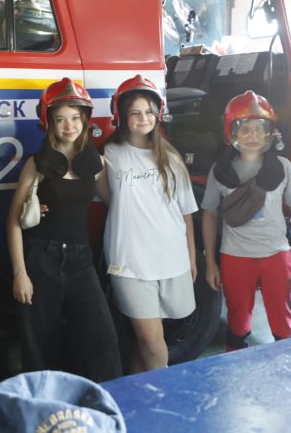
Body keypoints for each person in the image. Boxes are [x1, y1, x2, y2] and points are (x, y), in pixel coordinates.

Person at [6, 78, 121, 382]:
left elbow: (116, 205)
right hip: (40, 259)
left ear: (85, 120)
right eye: (60, 119)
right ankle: (41, 406)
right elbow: (13, 222)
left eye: (75, 118)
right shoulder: (37, 164)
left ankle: (104, 404)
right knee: (39, 348)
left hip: (81, 260)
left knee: (102, 340)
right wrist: (20, 274)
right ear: (49, 122)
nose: (69, 126)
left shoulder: (96, 163)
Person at [201, 90, 291, 351]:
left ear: (269, 132)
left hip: (277, 254)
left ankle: (287, 367)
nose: (253, 135)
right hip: (235, 255)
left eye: (259, 128)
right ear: (232, 132)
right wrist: (211, 263)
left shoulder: (283, 167)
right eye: (245, 128)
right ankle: (237, 367)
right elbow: (209, 213)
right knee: (237, 325)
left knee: (283, 324)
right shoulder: (221, 171)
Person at [103, 75, 198, 372]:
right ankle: (161, 400)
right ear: (122, 116)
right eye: (135, 112)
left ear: (158, 114)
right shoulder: (109, 154)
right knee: (151, 342)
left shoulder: (171, 157)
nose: (143, 118)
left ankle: (135, 394)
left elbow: (186, 213)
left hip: (172, 259)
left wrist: (192, 258)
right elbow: (93, 194)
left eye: (148, 112)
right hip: (129, 263)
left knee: (146, 344)